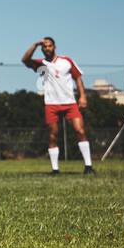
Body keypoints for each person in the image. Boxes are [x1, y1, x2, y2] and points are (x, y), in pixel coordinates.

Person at [21, 37, 94, 175]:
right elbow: (25, 60)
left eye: (49, 46)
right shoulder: (41, 65)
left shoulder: (66, 61)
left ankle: (88, 167)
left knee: (80, 131)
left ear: (55, 47)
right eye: (44, 46)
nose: (47, 48)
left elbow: (77, 77)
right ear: (42, 49)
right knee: (53, 135)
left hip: (70, 103)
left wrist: (83, 96)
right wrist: (35, 44)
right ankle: (55, 169)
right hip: (51, 104)